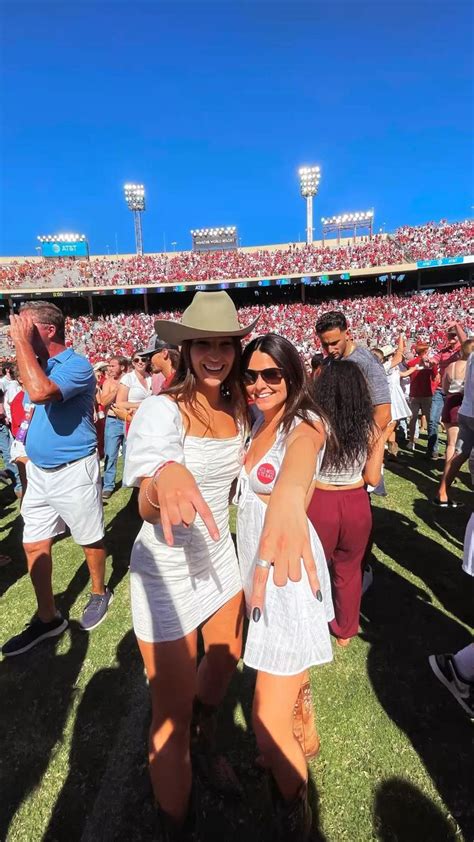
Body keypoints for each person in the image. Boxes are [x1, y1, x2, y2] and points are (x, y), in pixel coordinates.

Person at [122, 292, 259, 840]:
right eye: (204, 342)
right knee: (169, 713)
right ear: (185, 348)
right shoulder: (162, 407)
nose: (215, 354)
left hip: (217, 554)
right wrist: (164, 480)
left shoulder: (240, 407)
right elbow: (145, 501)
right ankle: (177, 823)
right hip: (166, 567)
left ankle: (205, 735)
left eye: (225, 343)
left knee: (226, 660)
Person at [235, 333, 334, 840]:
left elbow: (298, 467)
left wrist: (290, 500)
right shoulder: (255, 422)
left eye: (271, 374)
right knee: (274, 692)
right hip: (258, 572)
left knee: (264, 719)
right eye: (250, 375)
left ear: (292, 376)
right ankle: (298, 714)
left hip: (288, 575)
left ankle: (295, 811)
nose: (258, 384)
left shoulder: (304, 423)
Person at [1, 301, 112, 658]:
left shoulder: (75, 365)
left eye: (25, 326)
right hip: (39, 472)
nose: (16, 330)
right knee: (33, 542)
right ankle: (48, 617)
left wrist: (20, 345)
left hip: (73, 469)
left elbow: (40, 392)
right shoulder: (37, 364)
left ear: (48, 330)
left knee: (89, 537)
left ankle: (99, 592)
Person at [309, 360, 395, 647]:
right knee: (349, 569)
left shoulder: (315, 423)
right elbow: (372, 477)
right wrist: (382, 439)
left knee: (314, 566)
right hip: (357, 502)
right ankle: (346, 630)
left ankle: (311, 620)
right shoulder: (369, 426)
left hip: (320, 501)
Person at [315, 311, 391, 429]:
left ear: (347, 334)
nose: (330, 350)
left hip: (355, 438)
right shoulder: (328, 362)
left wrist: (361, 445)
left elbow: (384, 413)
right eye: (325, 345)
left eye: (335, 343)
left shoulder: (367, 362)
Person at [435, 349, 474, 507]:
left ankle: (442, 491)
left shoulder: (471, 355)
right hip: (469, 410)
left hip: (466, 411)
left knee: (459, 453)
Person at [430, 322, 468, 459]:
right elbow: (433, 360)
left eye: (454, 334)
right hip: (441, 390)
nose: (451, 336)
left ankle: (449, 453)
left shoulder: (462, 351)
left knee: (452, 426)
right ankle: (433, 450)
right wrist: (430, 362)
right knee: (433, 420)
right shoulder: (443, 352)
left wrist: (457, 325)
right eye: (449, 334)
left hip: (455, 392)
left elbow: (465, 340)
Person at [372, 338, 412, 460]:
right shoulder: (384, 367)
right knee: (390, 424)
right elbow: (399, 357)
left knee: (393, 425)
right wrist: (400, 338)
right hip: (389, 398)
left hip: (388, 397)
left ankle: (392, 452)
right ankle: (376, 450)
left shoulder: (378, 367)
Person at [438, 339, 474, 468]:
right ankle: (450, 473)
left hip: (450, 402)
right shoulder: (470, 367)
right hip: (465, 404)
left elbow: (445, 389)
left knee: (451, 443)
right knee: (461, 444)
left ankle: (448, 472)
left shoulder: (451, 366)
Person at [98, 356, 128, 500]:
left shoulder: (130, 379)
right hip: (112, 420)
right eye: (109, 366)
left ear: (122, 367)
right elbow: (103, 402)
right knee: (111, 453)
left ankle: (129, 481)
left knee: (129, 452)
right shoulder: (108, 383)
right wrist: (116, 390)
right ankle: (108, 485)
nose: (109, 369)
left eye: (112, 366)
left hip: (127, 419)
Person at [405, 342, 439, 453]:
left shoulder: (411, 363)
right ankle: (431, 445)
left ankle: (411, 442)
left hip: (414, 394)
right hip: (426, 394)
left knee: (413, 419)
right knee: (430, 420)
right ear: (425, 351)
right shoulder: (431, 364)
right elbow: (435, 377)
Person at [115, 350, 153, 422]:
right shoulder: (128, 378)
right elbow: (119, 403)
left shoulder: (151, 378)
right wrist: (141, 404)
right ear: (133, 363)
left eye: (143, 360)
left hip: (150, 419)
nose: (140, 362)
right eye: (136, 360)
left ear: (147, 362)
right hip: (133, 419)